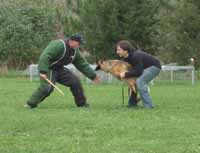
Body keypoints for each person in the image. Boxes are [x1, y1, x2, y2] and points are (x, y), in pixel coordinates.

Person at [25, 34, 100, 109]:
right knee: (47, 88)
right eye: (78, 43)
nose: (79, 46)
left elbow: (82, 64)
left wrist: (93, 76)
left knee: (75, 82)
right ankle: (31, 104)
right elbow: (45, 56)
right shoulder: (59, 45)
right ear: (71, 41)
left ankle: (82, 105)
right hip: (49, 68)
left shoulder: (75, 51)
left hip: (60, 69)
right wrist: (43, 71)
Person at [116, 40, 161, 109]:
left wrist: (126, 74)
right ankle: (132, 104)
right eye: (117, 50)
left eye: (119, 50)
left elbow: (138, 72)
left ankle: (149, 106)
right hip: (144, 69)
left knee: (140, 81)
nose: (117, 52)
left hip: (155, 67)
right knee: (133, 82)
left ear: (125, 51)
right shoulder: (126, 58)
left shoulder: (135, 56)